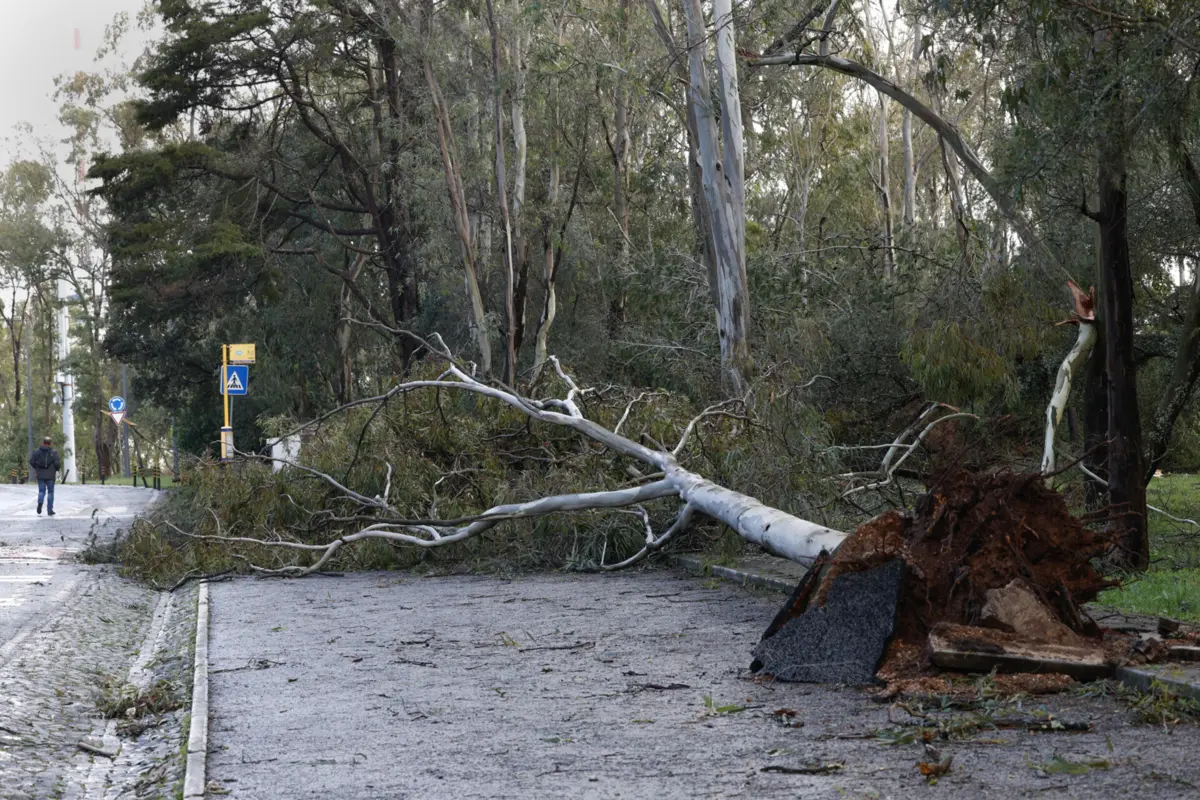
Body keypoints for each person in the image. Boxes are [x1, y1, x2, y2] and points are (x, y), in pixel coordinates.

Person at [29, 436, 59, 516]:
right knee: (50, 492)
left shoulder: (37, 452)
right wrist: (56, 469)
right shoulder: (54, 452)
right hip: (50, 475)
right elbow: (57, 463)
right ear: (50, 443)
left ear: (43, 442)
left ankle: (40, 503)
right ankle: (50, 510)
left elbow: (31, 461)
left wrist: (36, 467)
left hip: (40, 475)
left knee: (41, 491)